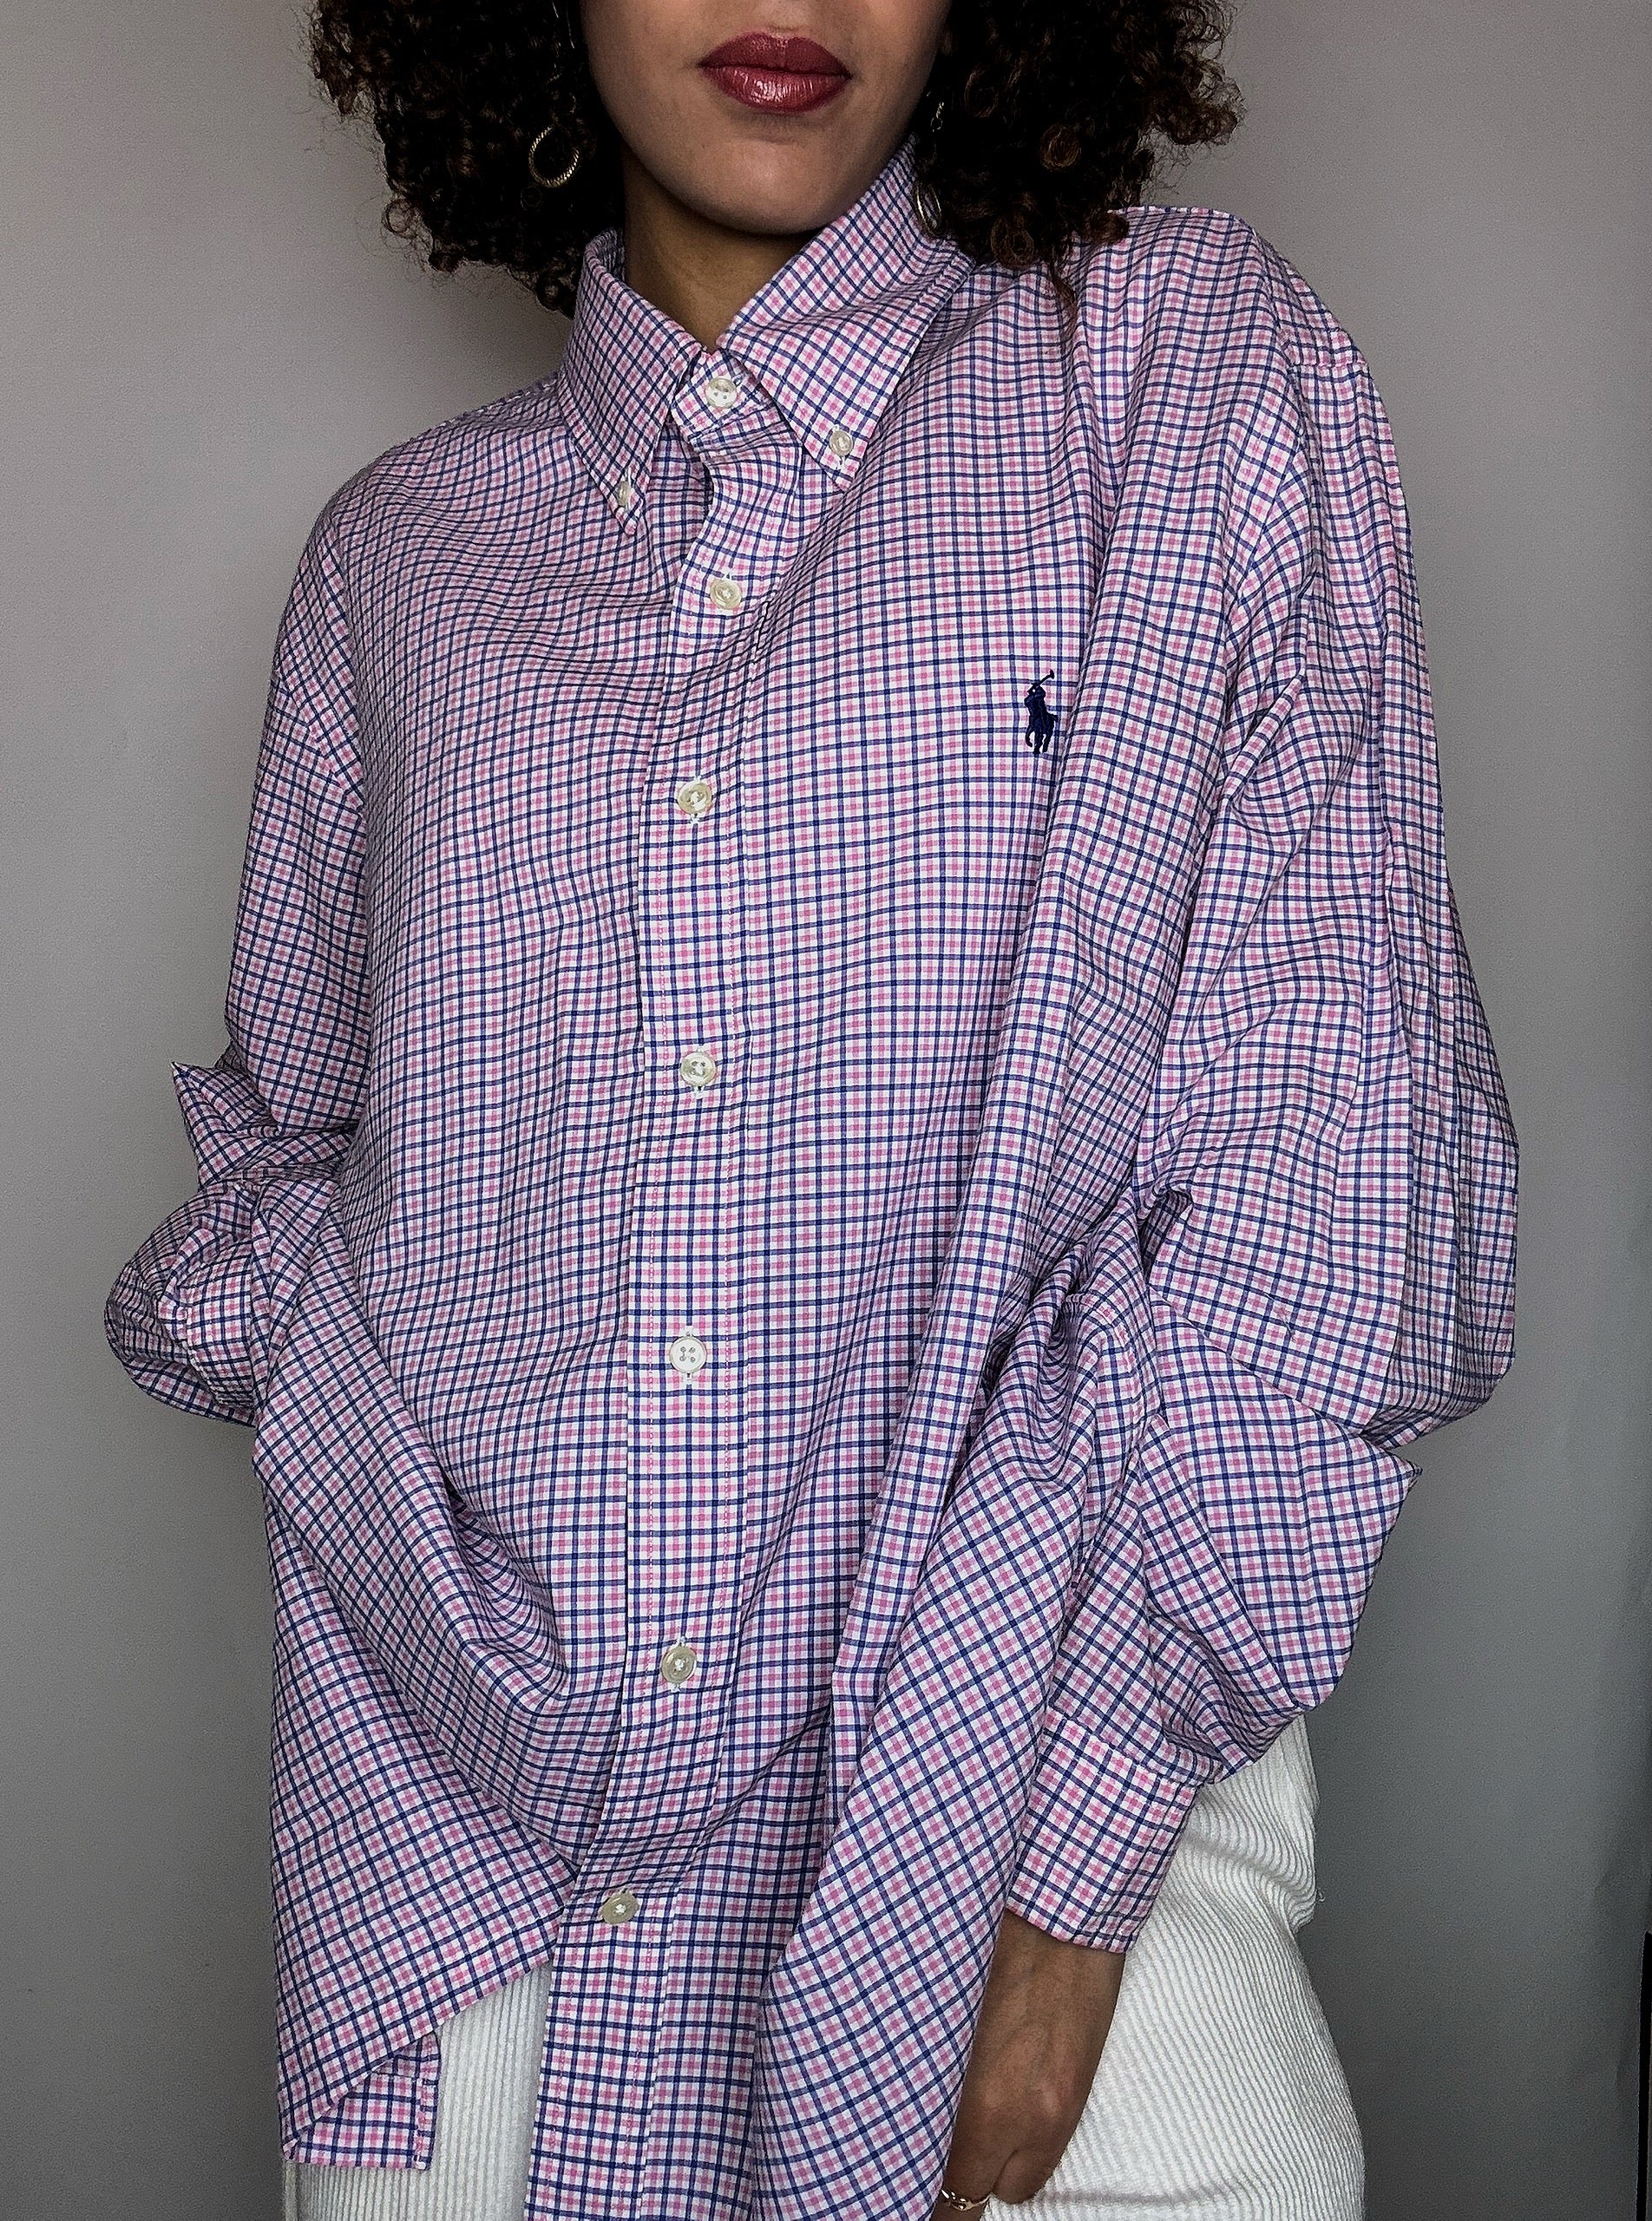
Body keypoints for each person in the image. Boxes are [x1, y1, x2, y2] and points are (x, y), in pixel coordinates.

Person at [103, 0, 1518, 2213]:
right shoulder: (398, 563)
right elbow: (293, 1151)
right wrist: (320, 1336)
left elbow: (1341, 1161)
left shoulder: (1172, 373)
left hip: (1045, 1896)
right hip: (473, 1948)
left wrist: (1063, 1897)